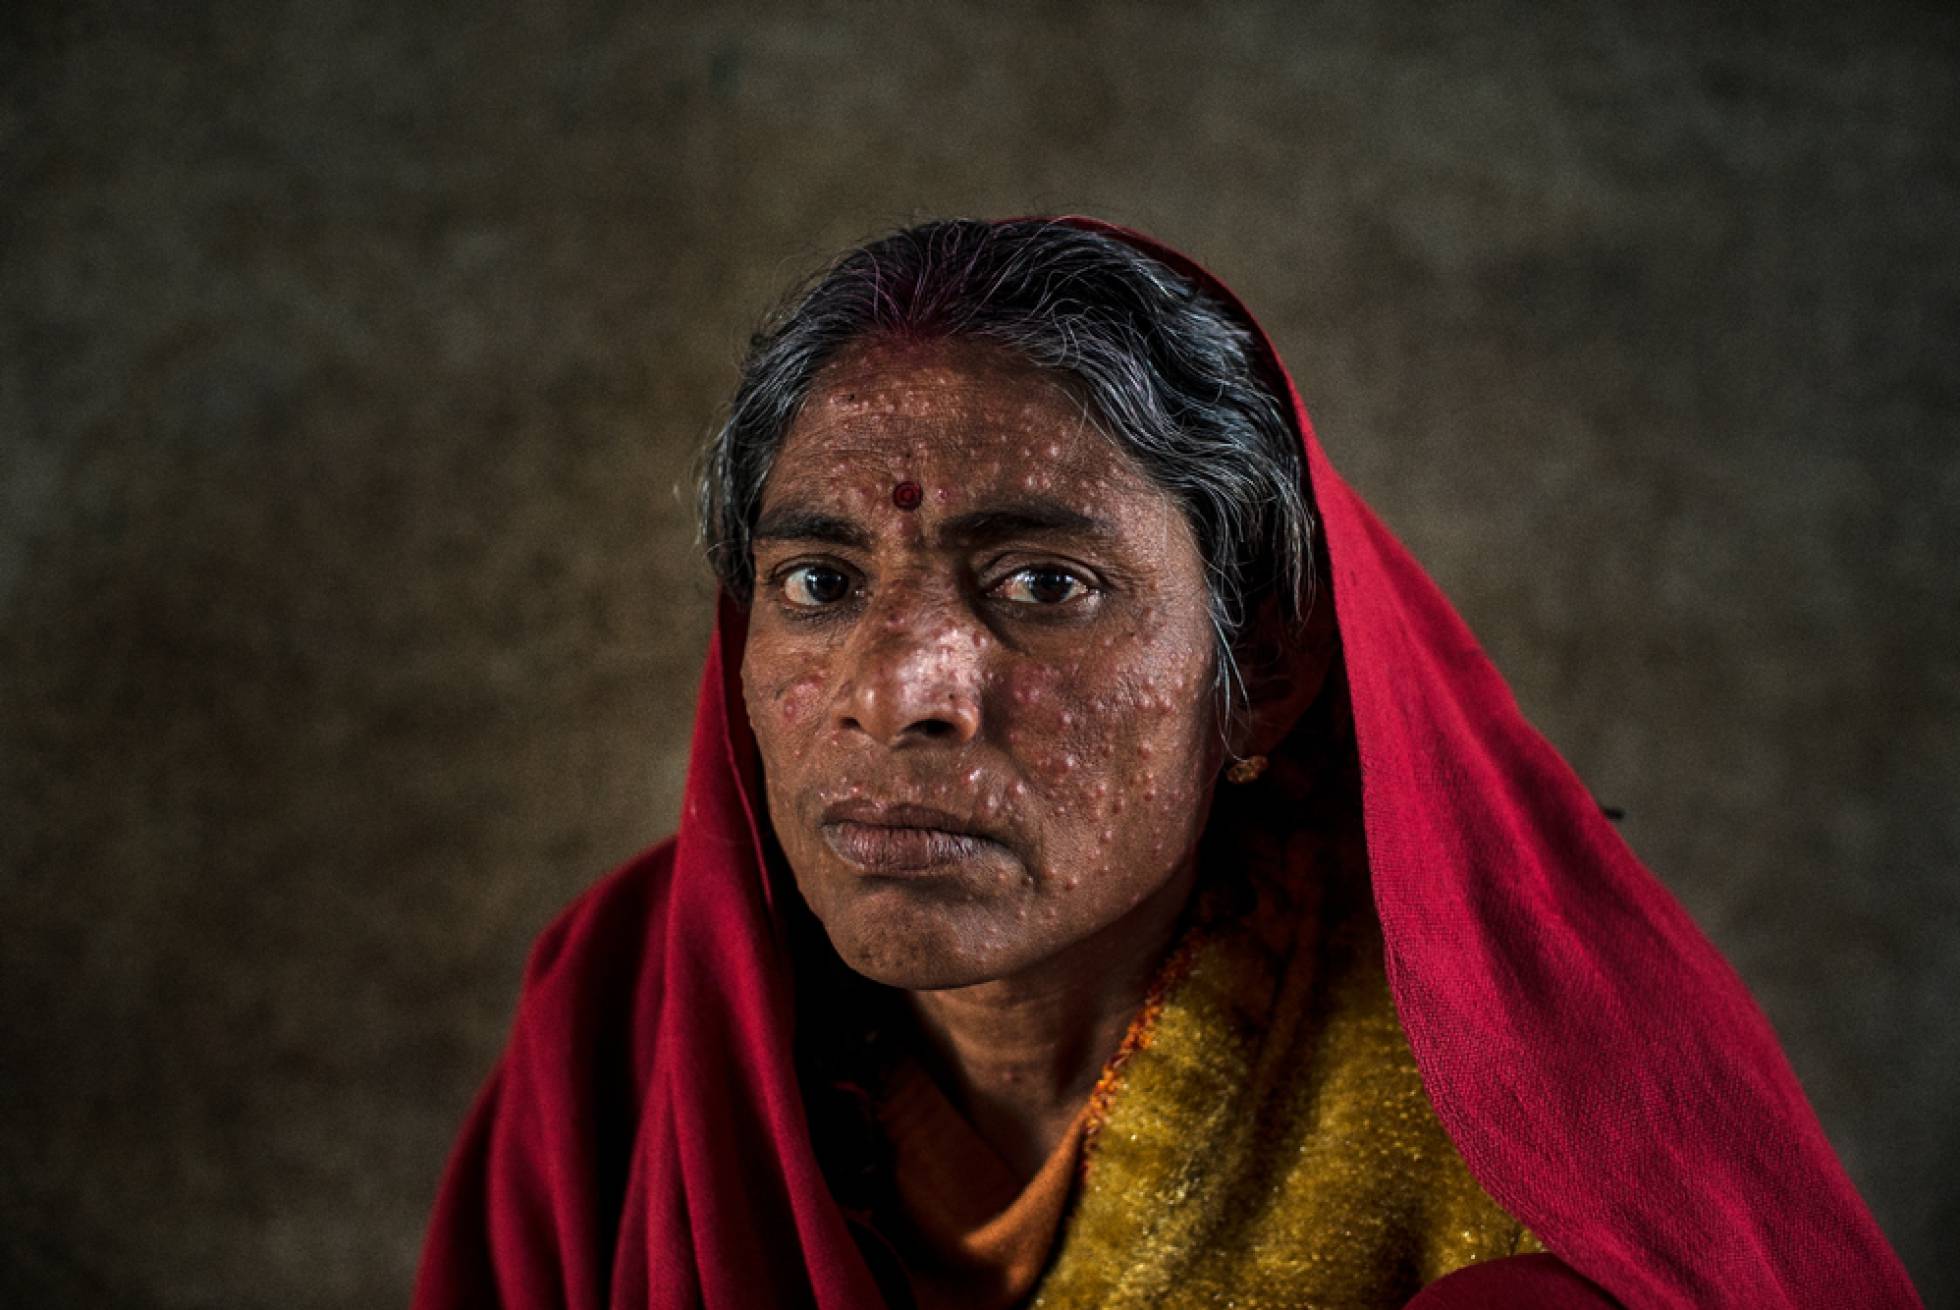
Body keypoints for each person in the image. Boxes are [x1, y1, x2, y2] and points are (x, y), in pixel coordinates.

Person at [411, 218, 1920, 1309]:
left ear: (1258, 676)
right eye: (817, 582)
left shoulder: (1528, 1119)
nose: (898, 688)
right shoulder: (629, 1012)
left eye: (1043, 587)